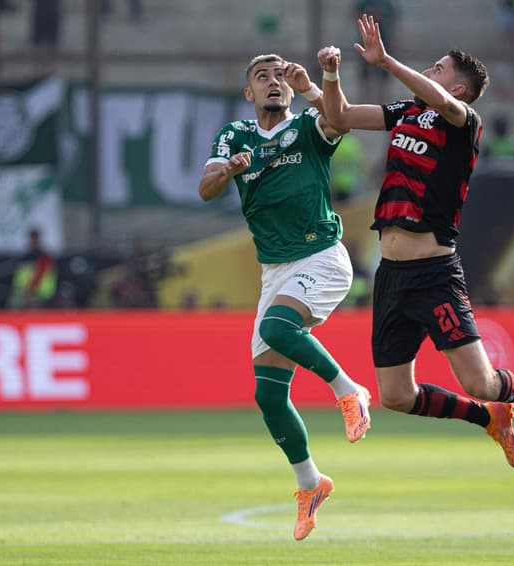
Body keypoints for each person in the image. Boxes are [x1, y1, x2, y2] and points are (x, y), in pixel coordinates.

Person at [317, 15, 514, 470]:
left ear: (461, 89)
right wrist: (331, 76)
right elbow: (340, 117)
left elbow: (444, 103)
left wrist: (386, 60)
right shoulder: (408, 111)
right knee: (394, 395)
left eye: (438, 68)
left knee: (482, 381)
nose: (430, 71)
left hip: (434, 273)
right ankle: (486, 419)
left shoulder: (463, 121)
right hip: (391, 275)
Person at [197, 54, 371, 541]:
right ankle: (311, 484)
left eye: (280, 78)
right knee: (268, 395)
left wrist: (321, 84)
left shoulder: (308, 129)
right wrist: (229, 170)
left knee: (277, 328)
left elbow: (341, 120)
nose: (273, 83)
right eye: (261, 78)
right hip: (275, 271)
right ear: (249, 93)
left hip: (321, 257)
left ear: (290, 92)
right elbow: (206, 189)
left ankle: (349, 390)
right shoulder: (236, 136)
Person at [8, 228, 57, 309]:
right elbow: (19, 278)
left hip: (41, 295)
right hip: (23, 295)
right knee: (13, 305)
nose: (33, 241)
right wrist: (19, 291)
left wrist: (27, 291)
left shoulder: (45, 257)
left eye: (35, 238)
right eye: (31, 238)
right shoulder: (24, 258)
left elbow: (39, 276)